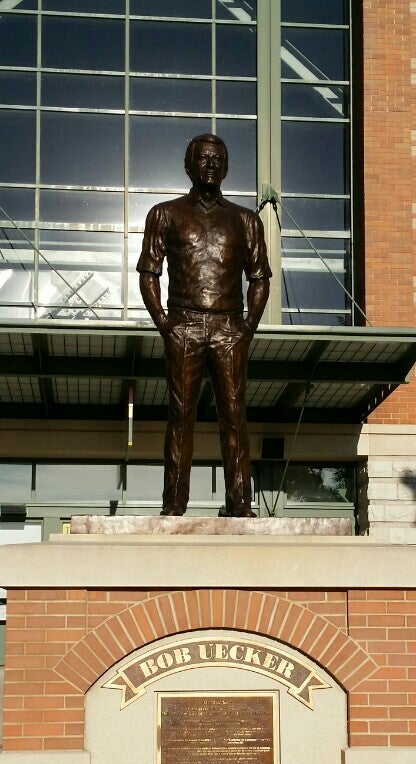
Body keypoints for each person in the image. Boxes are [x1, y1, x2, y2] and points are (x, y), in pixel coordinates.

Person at [137, 132, 271, 517]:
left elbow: (259, 276)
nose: (211, 164)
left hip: (229, 327)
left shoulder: (245, 220)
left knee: (234, 415)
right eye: (203, 158)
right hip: (184, 323)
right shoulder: (165, 214)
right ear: (188, 165)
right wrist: (164, 322)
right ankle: (174, 504)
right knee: (180, 417)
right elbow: (149, 271)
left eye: (217, 158)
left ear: (226, 167)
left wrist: (247, 326)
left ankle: (240, 503)